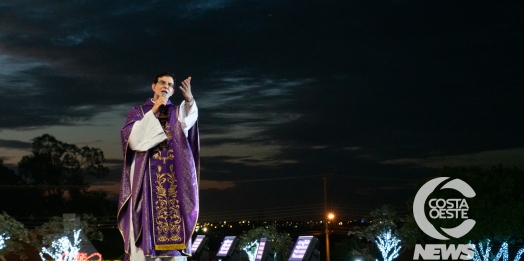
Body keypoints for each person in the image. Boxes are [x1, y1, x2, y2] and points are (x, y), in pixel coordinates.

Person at [117, 72, 200, 261]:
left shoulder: (177, 113)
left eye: (170, 85)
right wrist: (153, 111)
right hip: (145, 183)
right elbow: (133, 141)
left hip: (174, 184)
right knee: (143, 236)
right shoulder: (138, 112)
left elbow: (188, 123)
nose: (166, 87)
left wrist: (189, 101)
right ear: (153, 86)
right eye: (162, 83)